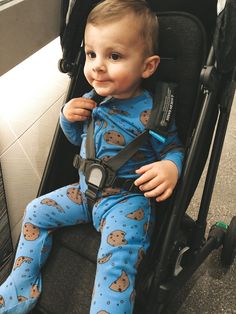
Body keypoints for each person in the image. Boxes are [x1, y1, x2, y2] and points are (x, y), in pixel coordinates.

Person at [0, 0, 184, 313]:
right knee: (35, 211)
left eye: (114, 56)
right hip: (85, 194)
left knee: (115, 263)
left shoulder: (151, 115)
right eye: (90, 54)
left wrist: (170, 166)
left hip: (127, 203)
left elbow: (172, 147)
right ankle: (19, 289)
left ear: (147, 66)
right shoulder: (91, 99)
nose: (97, 65)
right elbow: (80, 143)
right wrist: (67, 119)